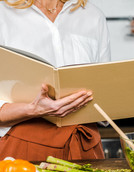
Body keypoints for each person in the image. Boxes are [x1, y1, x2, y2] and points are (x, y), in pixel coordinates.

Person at [0, 0, 111, 160]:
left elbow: (104, 89)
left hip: (84, 144)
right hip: (23, 147)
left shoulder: (92, 15)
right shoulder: (3, 12)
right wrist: (33, 109)